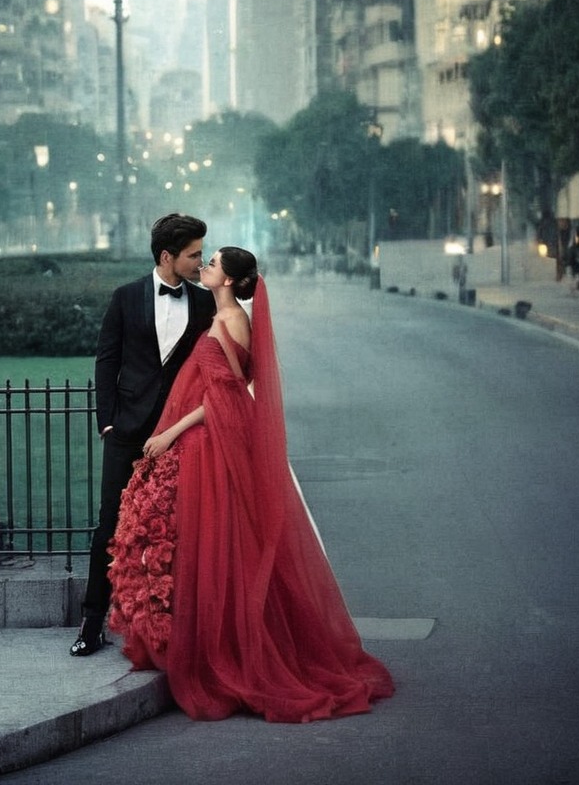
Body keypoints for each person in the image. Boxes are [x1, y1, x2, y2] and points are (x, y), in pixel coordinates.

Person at [107, 247, 395, 722]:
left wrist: (172, 432)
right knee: (212, 542)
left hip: (213, 440)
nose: (205, 267)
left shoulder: (232, 322)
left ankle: (232, 650)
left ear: (229, 280)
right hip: (207, 436)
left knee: (224, 545)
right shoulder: (222, 314)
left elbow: (228, 394)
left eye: (213, 263)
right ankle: (199, 636)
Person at [70, 213, 216, 656]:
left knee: (177, 530)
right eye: (194, 254)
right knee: (109, 527)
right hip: (127, 430)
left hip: (178, 435)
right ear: (167, 256)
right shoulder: (125, 298)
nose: (200, 261)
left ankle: (171, 631)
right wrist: (107, 421)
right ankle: (92, 623)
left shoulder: (206, 303)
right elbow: (106, 360)